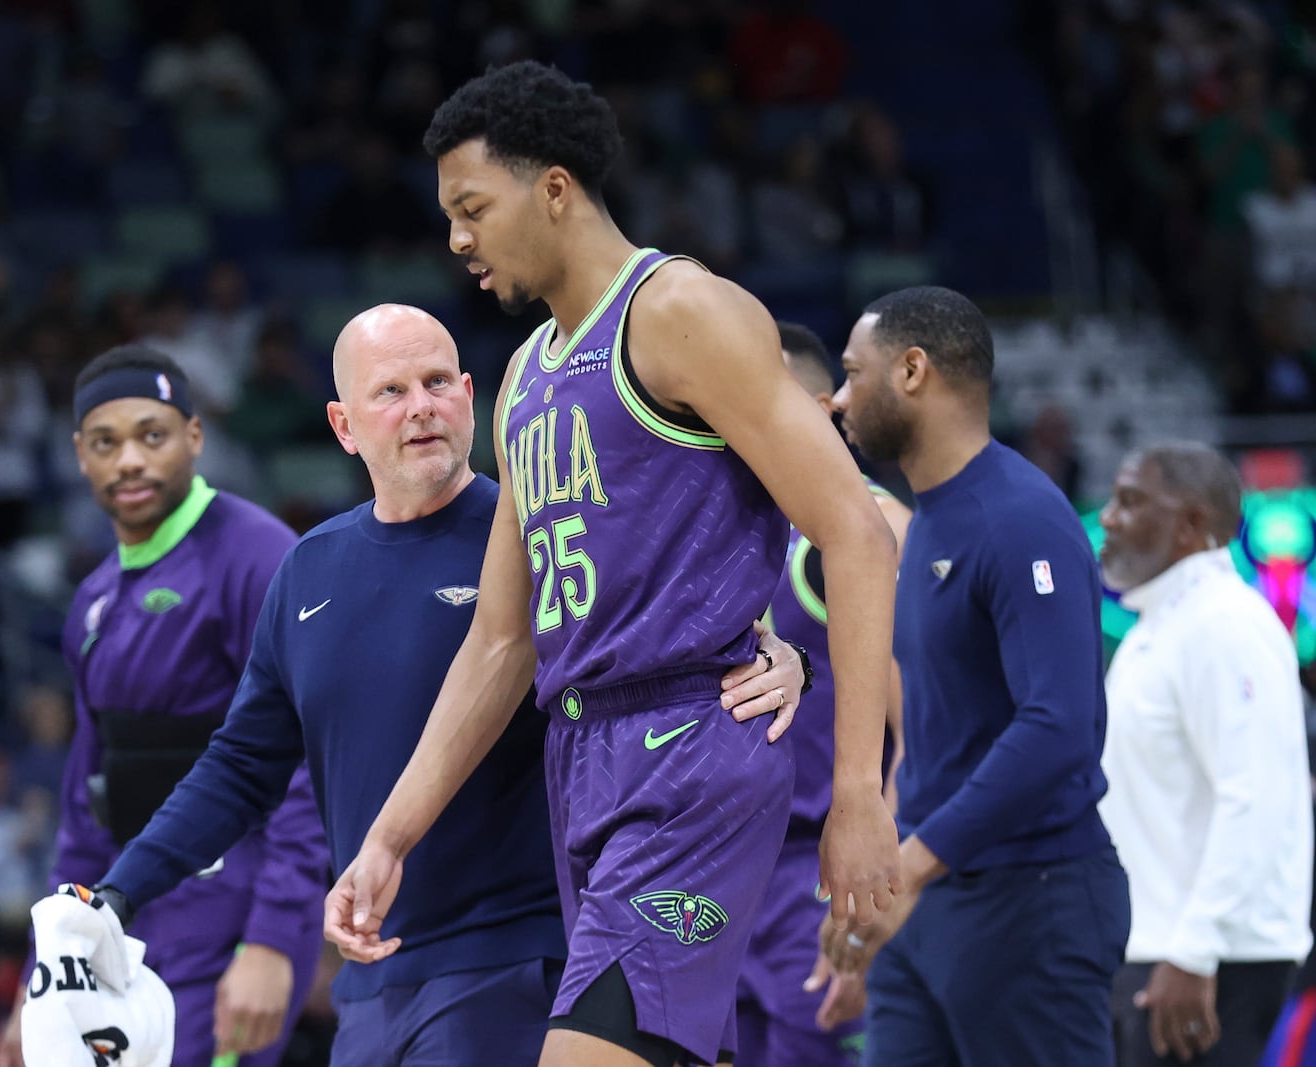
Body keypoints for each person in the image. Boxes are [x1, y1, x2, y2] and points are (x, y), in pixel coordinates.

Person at [329, 61, 904, 1067]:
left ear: (553, 187)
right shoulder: (524, 375)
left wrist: (857, 789)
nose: (456, 237)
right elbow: (503, 640)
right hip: (581, 757)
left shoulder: (680, 311)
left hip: (690, 740)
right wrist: (389, 835)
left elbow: (854, 530)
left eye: (472, 206)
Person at [52, 304, 806, 1066]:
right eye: (390, 391)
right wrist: (121, 890)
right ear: (344, 426)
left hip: (522, 959)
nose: (421, 407)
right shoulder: (307, 570)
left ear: (472, 397)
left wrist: (776, 647)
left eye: (438, 381)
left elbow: (672, 635)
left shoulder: (545, 536)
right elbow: (240, 766)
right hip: (370, 980)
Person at [815, 285, 1130, 1066]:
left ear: (914, 371)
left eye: (855, 373)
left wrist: (910, 870)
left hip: (1032, 896)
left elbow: (1059, 727)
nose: (839, 396)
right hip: (928, 904)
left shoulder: (1020, 518)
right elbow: (931, 730)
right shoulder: (927, 522)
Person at [0, 345, 327, 1067]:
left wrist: (273, 936)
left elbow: (303, 762)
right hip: (124, 915)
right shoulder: (90, 598)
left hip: (235, 909)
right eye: (105, 443)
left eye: (153, 434)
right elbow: (88, 805)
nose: (130, 462)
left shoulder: (258, 554)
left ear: (196, 437)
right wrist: (39, 973)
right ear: (79, 456)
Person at [1099, 441, 1313, 1067]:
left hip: (1208, 961)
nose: (1109, 517)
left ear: (1193, 524)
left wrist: (1193, 952)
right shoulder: (1161, 626)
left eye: (1131, 501)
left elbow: (1257, 799)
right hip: (1161, 948)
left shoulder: (1225, 626)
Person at [738, 324, 912, 1067]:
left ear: (812, 407)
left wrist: (878, 901)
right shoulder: (722, 524)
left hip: (818, 868)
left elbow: (924, 736)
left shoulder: (871, 527)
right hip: (723, 865)